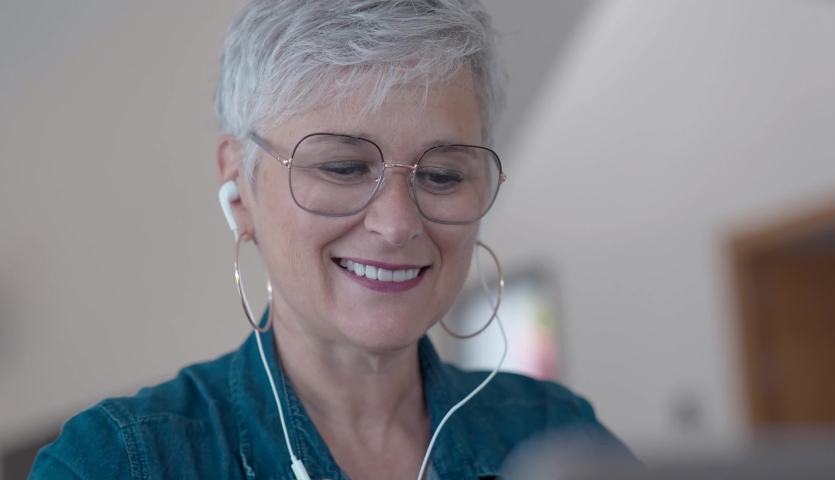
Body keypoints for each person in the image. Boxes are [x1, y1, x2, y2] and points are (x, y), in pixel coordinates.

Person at [31, 1, 634, 479]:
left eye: (442, 175)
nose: (397, 225)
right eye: (342, 168)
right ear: (238, 188)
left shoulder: (559, 440)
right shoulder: (120, 462)